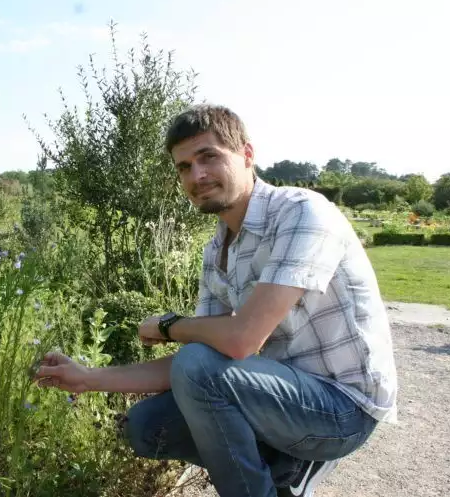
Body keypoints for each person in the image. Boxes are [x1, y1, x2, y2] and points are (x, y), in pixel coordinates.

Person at [33, 104, 398, 497]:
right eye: (184, 167)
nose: (197, 176)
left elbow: (240, 340)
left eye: (208, 157)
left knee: (197, 362)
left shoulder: (302, 214)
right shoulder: (217, 252)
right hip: (271, 396)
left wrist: (168, 326)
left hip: (342, 410)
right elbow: (200, 365)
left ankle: (273, 476)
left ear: (247, 155)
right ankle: (281, 467)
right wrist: (87, 378)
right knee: (146, 427)